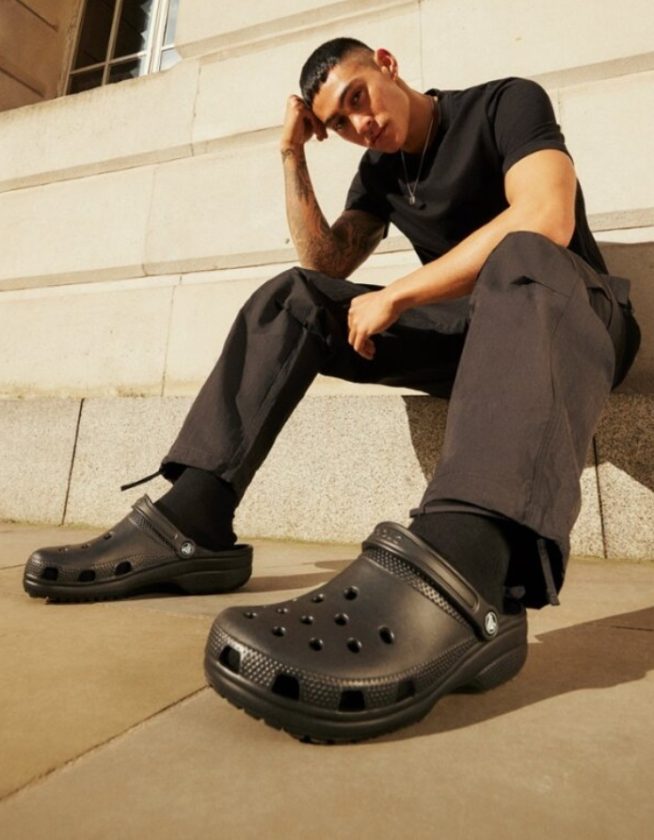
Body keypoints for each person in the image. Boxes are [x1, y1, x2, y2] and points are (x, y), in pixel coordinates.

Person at [24, 38, 640, 742]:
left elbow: (546, 216)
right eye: (339, 123)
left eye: (358, 98)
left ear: (386, 63)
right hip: (473, 334)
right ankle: (192, 521)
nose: (360, 125)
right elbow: (324, 261)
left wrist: (399, 293)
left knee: (524, 255)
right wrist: (292, 152)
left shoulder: (504, 103)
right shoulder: (380, 172)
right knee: (293, 297)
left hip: (571, 314)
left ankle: (472, 563)